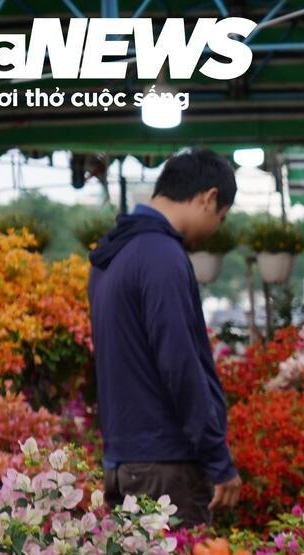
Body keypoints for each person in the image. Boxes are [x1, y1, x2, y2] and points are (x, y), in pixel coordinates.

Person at [87, 148, 240, 529]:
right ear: (209, 198)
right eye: (220, 218)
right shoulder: (161, 255)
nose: (214, 230)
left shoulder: (112, 254)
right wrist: (218, 459)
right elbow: (180, 364)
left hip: (125, 462)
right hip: (166, 468)